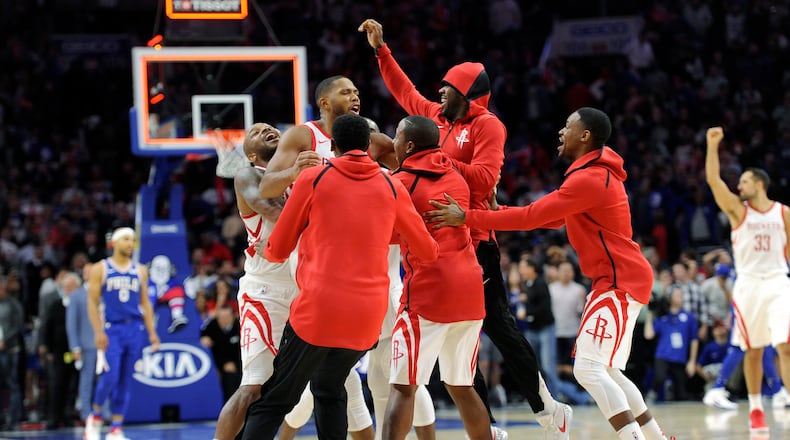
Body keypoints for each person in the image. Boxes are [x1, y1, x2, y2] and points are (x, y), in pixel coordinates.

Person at [358, 19, 569, 438]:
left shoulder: (488, 125)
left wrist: (432, 159)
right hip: (445, 246)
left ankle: (546, 406)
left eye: (447, 88)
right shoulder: (435, 117)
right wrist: (382, 51)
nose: (438, 94)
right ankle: (490, 429)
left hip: (474, 238)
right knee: (461, 367)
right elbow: (406, 93)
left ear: (467, 94)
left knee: (500, 328)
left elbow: (486, 178)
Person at [425, 107, 668, 440]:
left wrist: (467, 216)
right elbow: (552, 218)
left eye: (567, 126)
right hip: (621, 277)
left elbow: (531, 217)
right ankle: (655, 436)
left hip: (618, 280)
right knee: (608, 369)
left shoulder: (589, 177)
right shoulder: (593, 174)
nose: (560, 131)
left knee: (588, 368)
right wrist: (498, 211)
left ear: (585, 136)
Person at [241, 114, 438, 439]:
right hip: (368, 318)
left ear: (332, 145)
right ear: (369, 144)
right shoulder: (392, 185)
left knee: (275, 400)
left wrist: (268, 249)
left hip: (318, 310)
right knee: (330, 389)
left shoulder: (313, 179)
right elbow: (427, 251)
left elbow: (278, 249)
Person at [384, 115, 491, 439]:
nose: (393, 144)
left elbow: (385, 233)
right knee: (461, 385)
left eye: (397, 138)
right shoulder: (455, 172)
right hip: (470, 288)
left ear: (410, 145)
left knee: (403, 388)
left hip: (431, 290)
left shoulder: (400, 182)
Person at [704, 126, 790, 434]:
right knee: (753, 350)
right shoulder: (738, 213)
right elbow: (714, 181)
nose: (738, 186)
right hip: (749, 284)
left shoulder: (784, 214)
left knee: (785, 344)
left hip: (779, 281)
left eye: (743, 181)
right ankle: (756, 408)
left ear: (759, 183)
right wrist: (712, 146)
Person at [363, 116, 436, 440]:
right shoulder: (345, 175)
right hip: (364, 294)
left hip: (385, 291)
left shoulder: (390, 180)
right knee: (378, 380)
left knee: (403, 379)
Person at [256, 75, 396, 200]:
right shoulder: (302, 136)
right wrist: (293, 173)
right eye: (345, 93)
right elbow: (266, 189)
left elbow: (410, 175)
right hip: (316, 225)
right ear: (325, 103)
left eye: (356, 93)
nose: (355, 98)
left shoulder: (376, 141)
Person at [83, 227, 160, 440]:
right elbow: (92, 301)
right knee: (110, 376)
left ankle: (116, 427)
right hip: (112, 329)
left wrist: (152, 332)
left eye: (132, 239)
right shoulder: (102, 268)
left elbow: (145, 302)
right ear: (114, 243)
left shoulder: (140, 270)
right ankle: (95, 416)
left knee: (126, 379)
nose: (130, 243)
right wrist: (98, 331)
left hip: (135, 329)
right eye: (126, 239)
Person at [41, 271, 81, 428]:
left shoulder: (80, 307)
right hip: (59, 352)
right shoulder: (56, 305)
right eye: (66, 287)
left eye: (72, 287)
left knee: (73, 385)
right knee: (57, 384)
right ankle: (54, 416)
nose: (69, 290)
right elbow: (47, 328)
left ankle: (68, 415)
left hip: (75, 352)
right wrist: (48, 349)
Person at [66, 263, 99, 423]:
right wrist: (75, 347)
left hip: (104, 344)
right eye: (88, 272)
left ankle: (103, 412)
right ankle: (86, 413)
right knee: (86, 380)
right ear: (84, 275)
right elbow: (71, 324)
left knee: (106, 380)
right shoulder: (76, 296)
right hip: (86, 345)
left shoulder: (104, 292)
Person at [200, 305, 242, 403]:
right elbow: (203, 333)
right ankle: (229, 410)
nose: (222, 320)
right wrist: (204, 337)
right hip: (222, 363)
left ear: (233, 316)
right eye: (220, 318)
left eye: (225, 318)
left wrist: (235, 364)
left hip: (240, 362)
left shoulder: (240, 326)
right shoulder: (213, 325)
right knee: (229, 378)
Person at [0, 274, 24, 431]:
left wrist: (4, 341)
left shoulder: (14, 304)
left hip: (11, 349)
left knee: (12, 383)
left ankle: (14, 419)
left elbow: (18, 325)